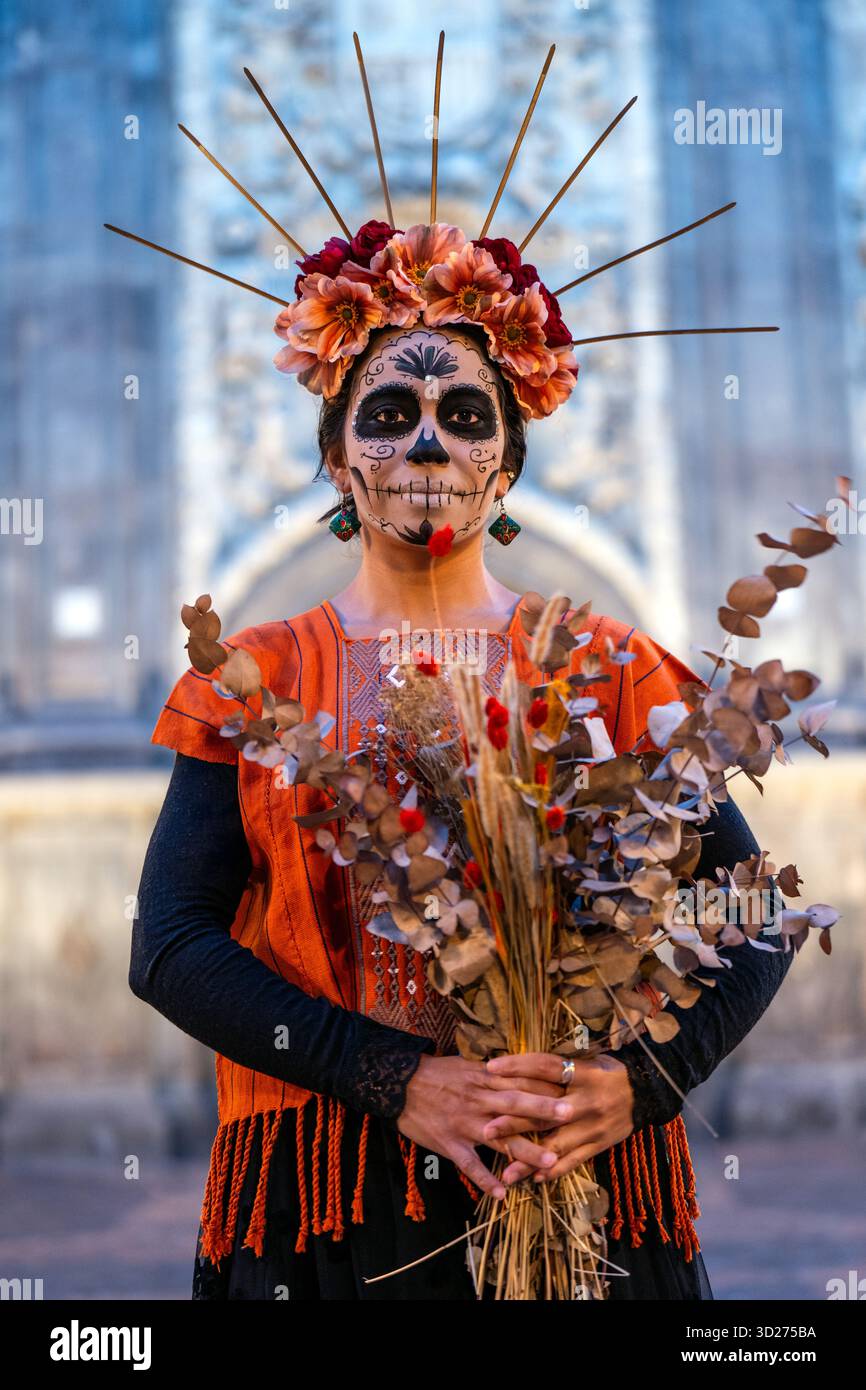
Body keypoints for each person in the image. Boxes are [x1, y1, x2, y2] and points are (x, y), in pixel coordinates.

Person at [131, 302, 793, 1300]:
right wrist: (390, 1078)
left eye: (466, 416)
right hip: (335, 1205)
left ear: (510, 470)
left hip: (582, 1188)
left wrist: (642, 1083)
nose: (428, 440)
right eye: (388, 412)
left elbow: (751, 908)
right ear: (335, 461)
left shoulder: (608, 667)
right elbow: (171, 943)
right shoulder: (254, 681)